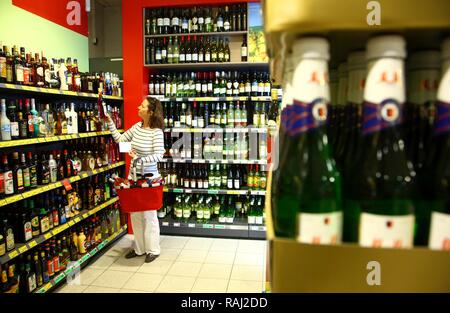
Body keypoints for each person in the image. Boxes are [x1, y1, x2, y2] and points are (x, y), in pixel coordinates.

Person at [105, 96, 165, 263]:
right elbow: (120, 139)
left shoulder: (156, 132)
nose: (139, 107)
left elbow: (159, 155)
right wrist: (110, 121)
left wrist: (139, 159)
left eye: (142, 105)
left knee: (149, 215)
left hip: (149, 180)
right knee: (136, 214)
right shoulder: (137, 127)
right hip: (133, 178)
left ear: (150, 112)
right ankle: (139, 249)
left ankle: (153, 250)